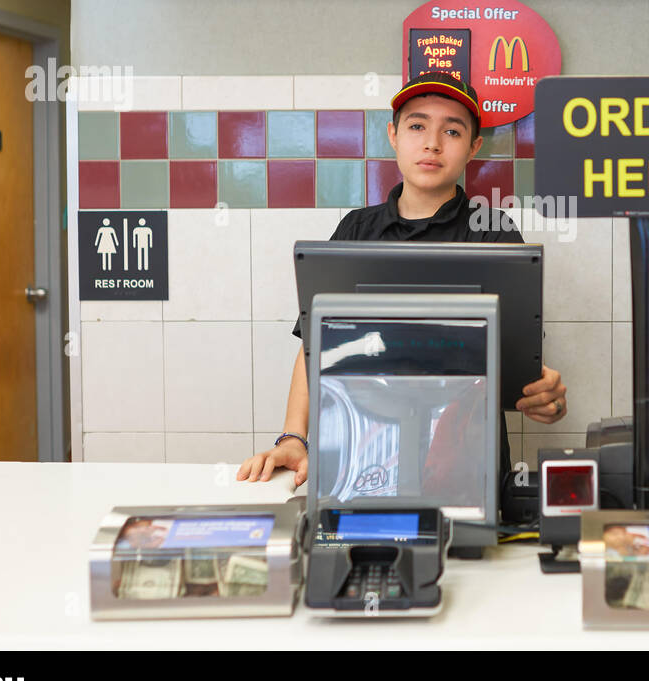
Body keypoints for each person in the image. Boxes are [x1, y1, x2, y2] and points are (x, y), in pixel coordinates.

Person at [237, 72, 568, 487]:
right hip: (364, 455)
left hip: (467, 464)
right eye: (417, 126)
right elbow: (315, 343)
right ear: (393, 135)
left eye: (452, 130)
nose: (432, 142)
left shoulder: (493, 233)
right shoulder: (356, 231)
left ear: (474, 147)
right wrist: (293, 437)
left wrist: (547, 399)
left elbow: (522, 359)